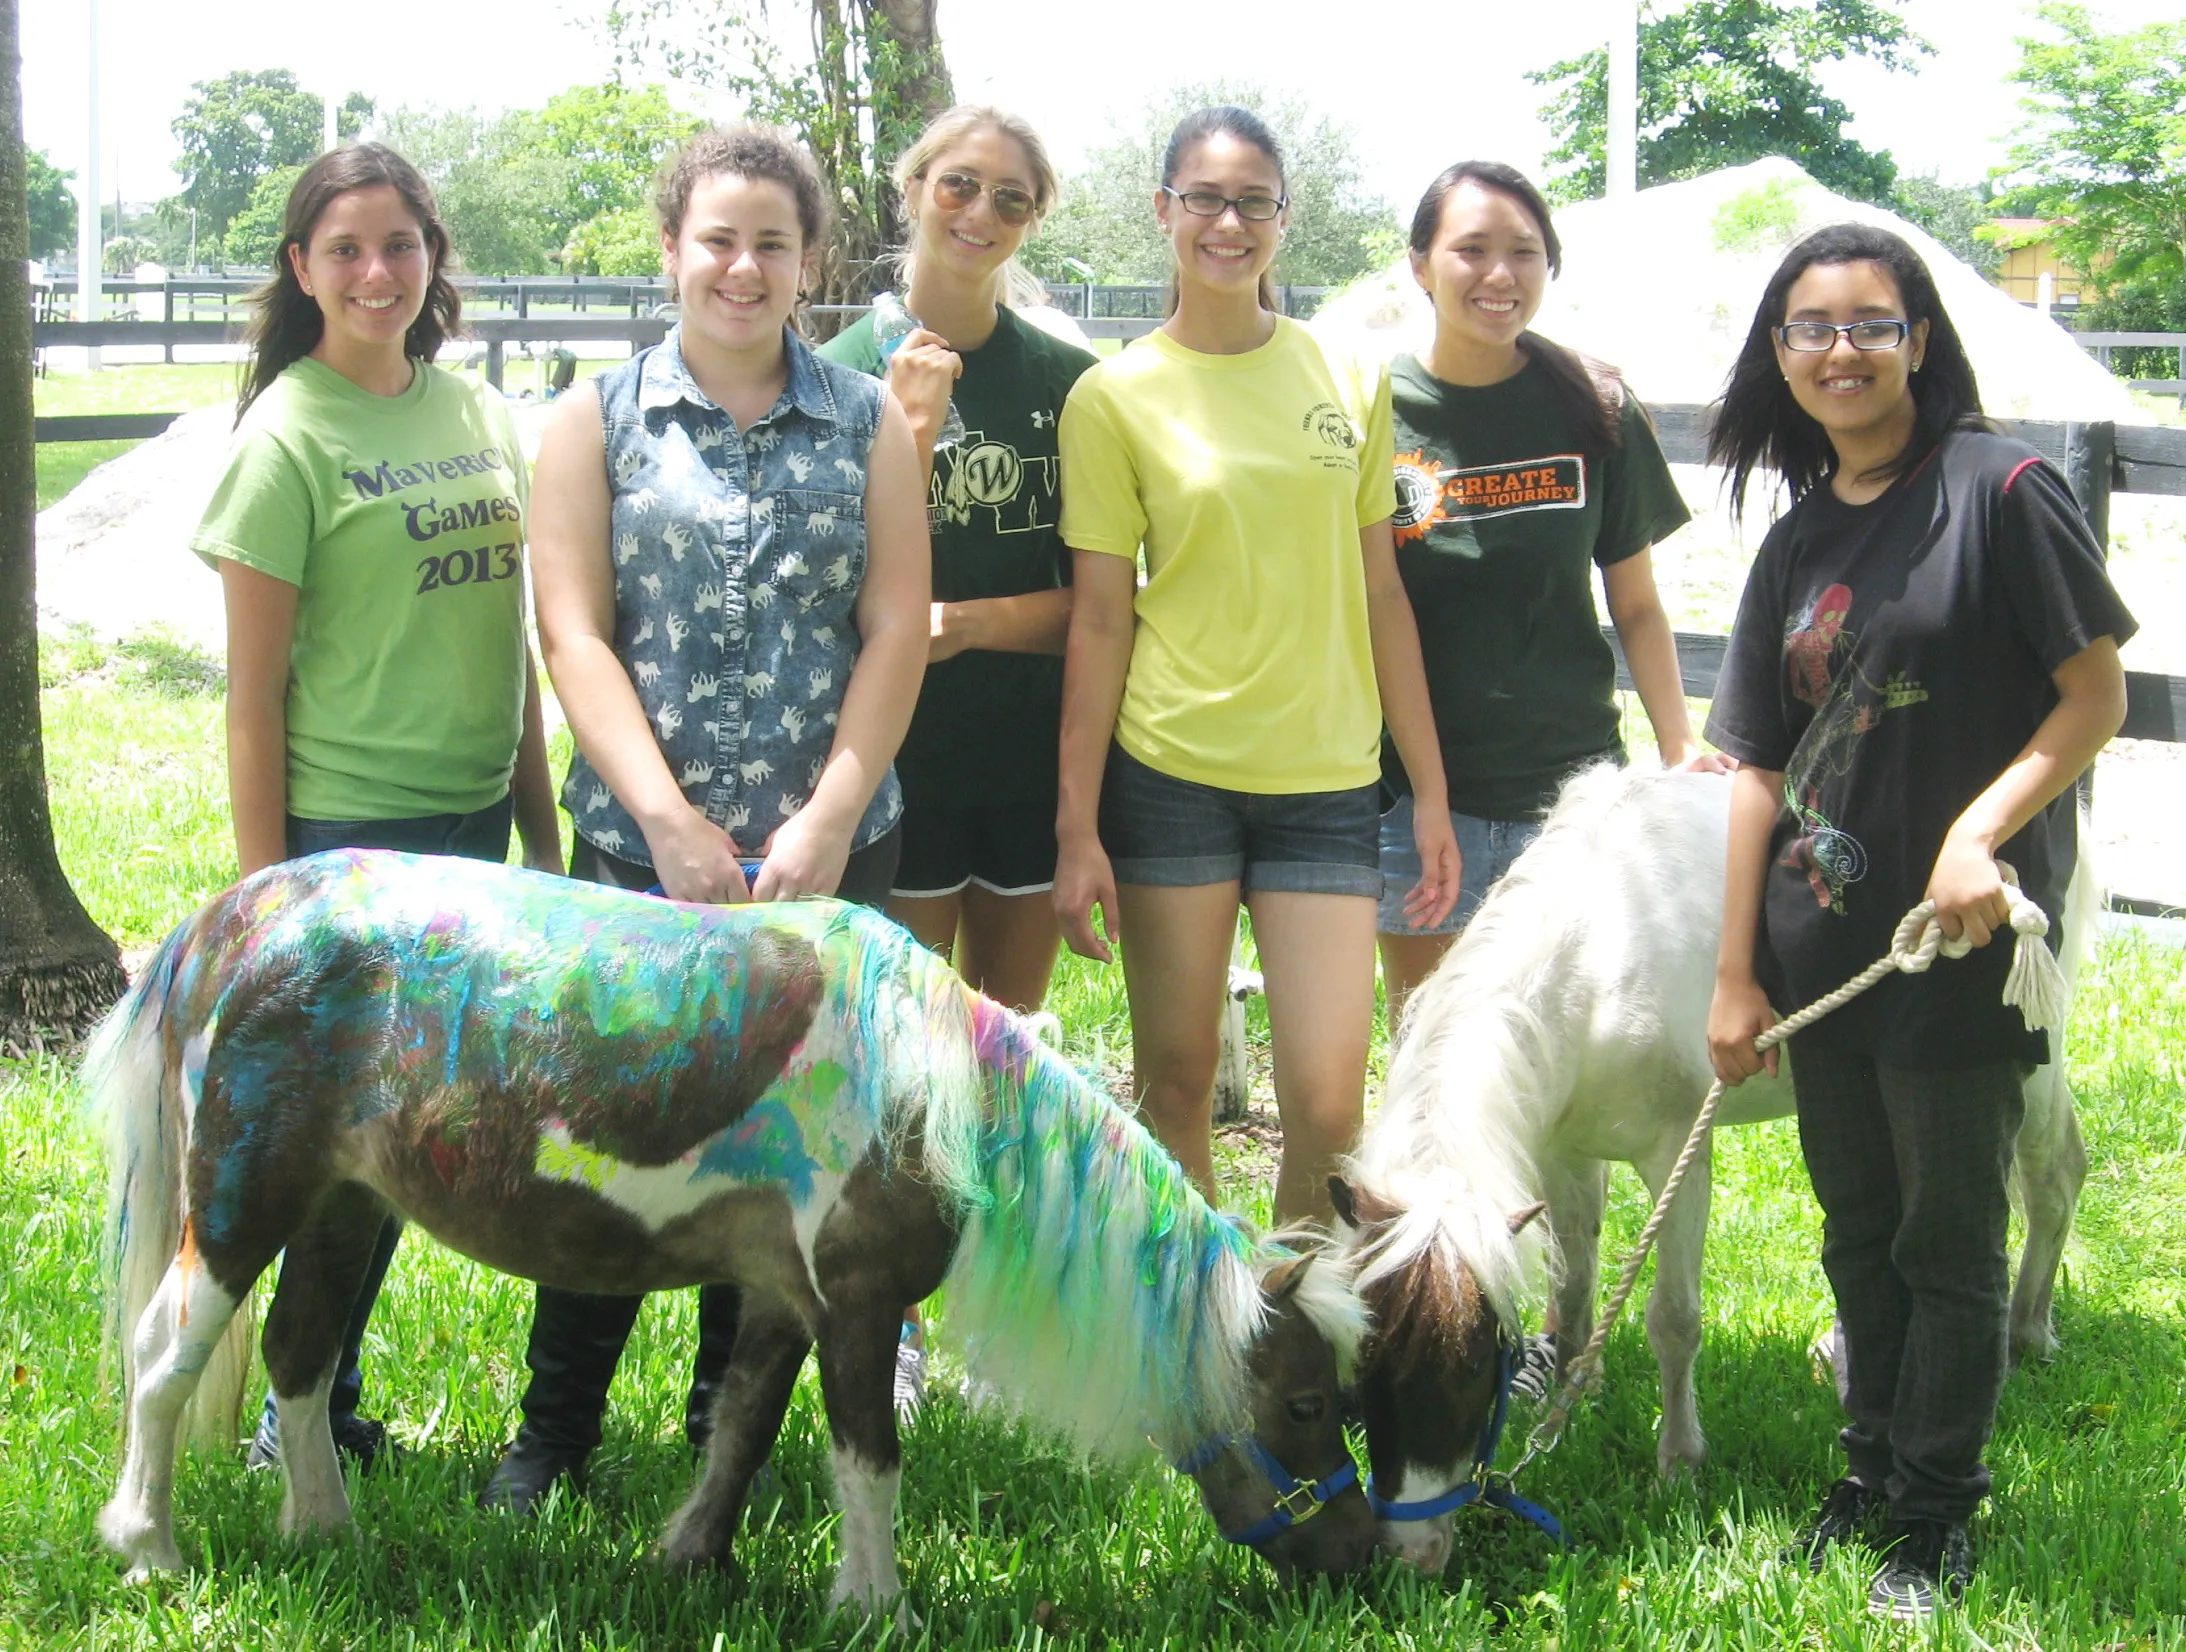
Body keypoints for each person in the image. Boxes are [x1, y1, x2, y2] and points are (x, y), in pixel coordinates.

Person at [480, 123, 930, 1511]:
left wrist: (829, 816)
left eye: (771, 244)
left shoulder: (868, 423)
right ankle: (554, 1431)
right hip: (641, 857)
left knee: (782, 1151)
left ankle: (723, 1429)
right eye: (717, 239)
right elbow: (574, 632)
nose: (743, 267)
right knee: (611, 1143)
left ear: (810, 263)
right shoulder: (595, 418)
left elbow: (894, 626)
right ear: (672, 248)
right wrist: (665, 818)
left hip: (825, 855)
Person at [1702, 223, 2132, 1623]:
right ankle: (1868, 1466)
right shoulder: (1793, 537)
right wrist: (1732, 972)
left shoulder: (1999, 490)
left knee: (1945, 1242)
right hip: (1822, 949)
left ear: (1917, 340)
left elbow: (2091, 695)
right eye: (1808, 328)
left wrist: (1972, 832)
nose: (1839, 350)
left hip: (1955, 948)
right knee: (1856, 1228)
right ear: (1778, 354)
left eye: (1868, 324)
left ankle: (1932, 1512)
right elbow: (1753, 766)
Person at [191, 142, 564, 1472]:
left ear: (431, 257)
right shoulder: (284, 438)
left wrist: (539, 829)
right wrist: (269, 903)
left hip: (470, 832)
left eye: (398, 243)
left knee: (403, 1146)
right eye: (343, 249)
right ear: (301, 269)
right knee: (326, 1152)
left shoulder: (478, 414)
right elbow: (251, 700)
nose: (374, 272)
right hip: (344, 846)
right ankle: (286, 1416)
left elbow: (509, 643)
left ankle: (323, 1396)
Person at [1053, 105, 1460, 1226]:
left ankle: (1292, 1310)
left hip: (1325, 783)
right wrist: (1077, 826)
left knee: (1326, 1108)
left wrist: (1427, 788)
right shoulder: (1112, 396)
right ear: (1163, 210)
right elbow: (1099, 621)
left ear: (1283, 216)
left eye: (1252, 202)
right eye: (1203, 199)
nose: (1227, 224)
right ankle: (1195, 1321)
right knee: (1176, 1082)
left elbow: (1381, 592)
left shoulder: (1347, 374)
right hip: (1170, 773)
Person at [817, 104, 1097, 1417]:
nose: (979, 214)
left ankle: (993, 1304)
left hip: (1025, 761)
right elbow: (831, 586)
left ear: (1034, 219)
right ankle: (900, 1317)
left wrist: (967, 623)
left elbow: (1103, 602)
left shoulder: (1066, 381)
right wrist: (906, 430)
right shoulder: (839, 369)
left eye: (1010, 197)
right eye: (957, 186)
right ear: (911, 189)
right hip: (899, 770)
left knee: (1003, 1049)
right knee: (907, 1060)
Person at [1377, 160, 1732, 1021]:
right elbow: (1376, 614)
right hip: (1419, 805)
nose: (1499, 274)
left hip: (1578, 802)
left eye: (1523, 252)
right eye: (1471, 250)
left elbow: (1635, 603)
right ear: (1420, 265)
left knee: (1578, 1055)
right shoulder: (1370, 412)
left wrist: (1676, 742)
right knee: (1435, 1055)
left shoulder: (1595, 405)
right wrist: (1428, 799)